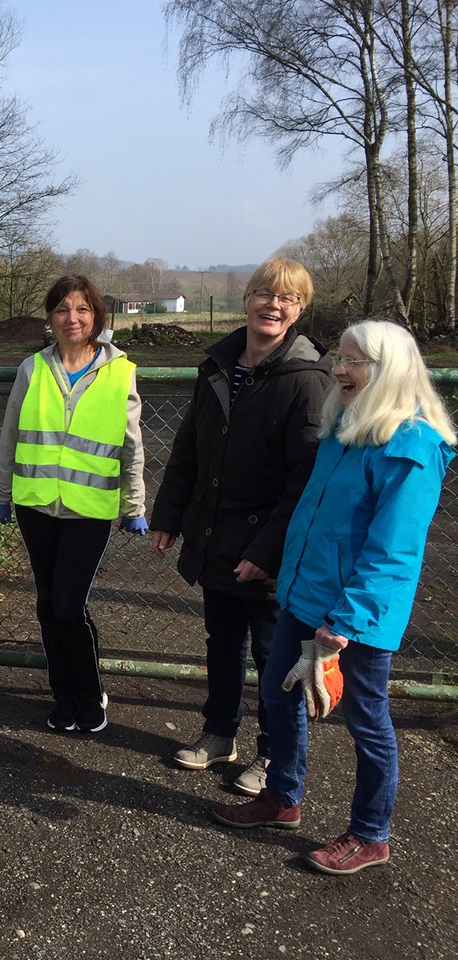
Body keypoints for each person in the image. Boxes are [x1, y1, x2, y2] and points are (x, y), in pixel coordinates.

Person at [212, 319, 454, 875]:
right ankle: (282, 797)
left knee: (366, 719)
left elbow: (393, 551)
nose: (339, 369)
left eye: (354, 361)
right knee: (276, 693)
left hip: (354, 617)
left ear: (389, 369)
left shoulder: (413, 447)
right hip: (305, 596)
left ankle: (371, 834)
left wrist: (344, 621)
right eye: (339, 358)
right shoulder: (346, 426)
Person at [150, 257, 330, 795]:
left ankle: (274, 755)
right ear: (247, 299)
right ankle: (218, 732)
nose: (273, 305)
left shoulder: (308, 380)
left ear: (299, 310)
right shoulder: (217, 369)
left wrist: (267, 550)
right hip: (216, 535)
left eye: (288, 298)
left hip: (271, 544)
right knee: (220, 641)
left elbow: (305, 481)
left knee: (273, 655)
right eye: (264, 294)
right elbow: (188, 450)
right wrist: (169, 517)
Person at [0, 274, 147, 733]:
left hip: (89, 510)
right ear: (50, 318)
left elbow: (132, 446)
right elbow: (11, 437)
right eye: (62, 309)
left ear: (96, 315)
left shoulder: (120, 370)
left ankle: (88, 693)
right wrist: (1, 496)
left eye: (81, 309)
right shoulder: (32, 368)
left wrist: (134, 504)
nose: (72, 318)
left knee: (68, 607)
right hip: (36, 506)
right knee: (46, 605)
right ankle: (63, 696)